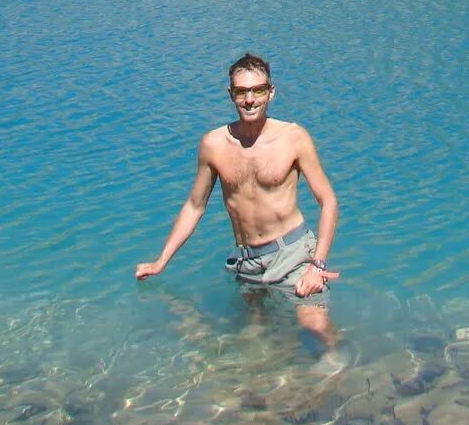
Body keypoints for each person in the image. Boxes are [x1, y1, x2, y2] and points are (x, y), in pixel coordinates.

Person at [134, 53, 340, 308]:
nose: (250, 100)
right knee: (255, 343)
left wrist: (317, 265)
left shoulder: (293, 138)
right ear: (230, 94)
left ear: (271, 92)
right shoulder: (213, 144)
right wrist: (161, 261)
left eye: (258, 90)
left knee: (318, 334)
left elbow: (328, 201)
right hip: (247, 263)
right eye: (241, 92)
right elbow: (194, 206)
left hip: (294, 255)